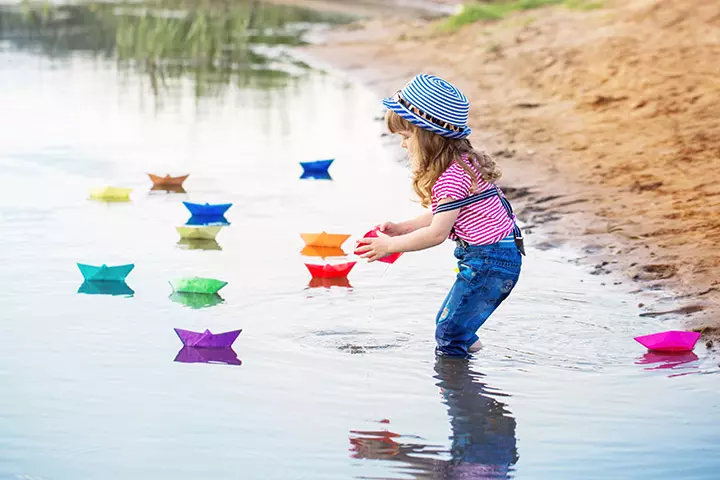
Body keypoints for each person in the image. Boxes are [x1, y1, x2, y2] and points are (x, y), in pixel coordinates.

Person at [355, 74, 524, 357]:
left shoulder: (451, 177)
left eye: (407, 137)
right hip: (497, 257)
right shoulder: (463, 163)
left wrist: (389, 246)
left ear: (430, 138)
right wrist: (402, 228)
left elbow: (437, 233)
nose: (403, 145)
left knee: (448, 333)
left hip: (490, 263)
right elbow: (441, 213)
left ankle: (461, 391)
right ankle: (469, 377)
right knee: (453, 328)